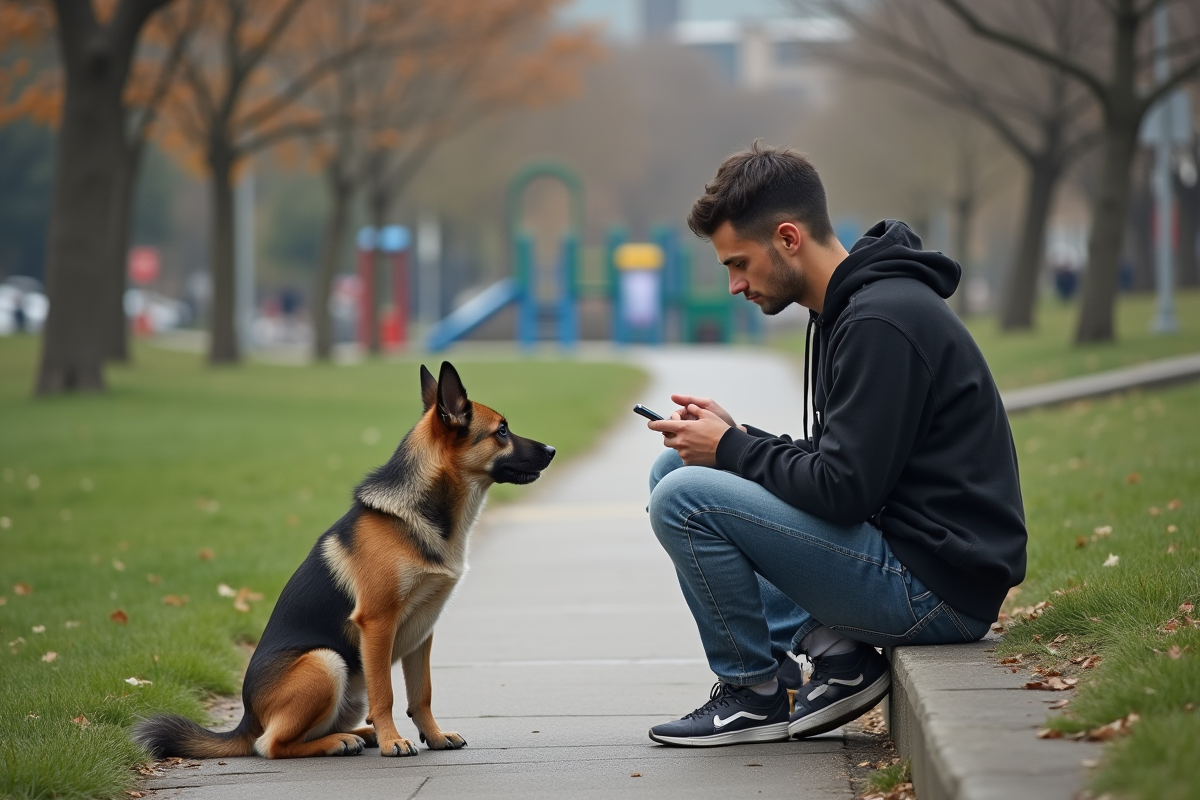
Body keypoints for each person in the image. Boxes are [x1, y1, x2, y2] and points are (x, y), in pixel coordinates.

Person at [644, 143, 1026, 747]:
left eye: (739, 263)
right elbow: (844, 462)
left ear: (789, 238)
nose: (735, 285)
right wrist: (737, 438)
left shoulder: (881, 322)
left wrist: (734, 452)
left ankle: (754, 692)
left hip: (934, 590)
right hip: (906, 554)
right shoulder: (853, 310)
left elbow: (844, 491)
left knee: (684, 497)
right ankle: (834, 654)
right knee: (674, 463)